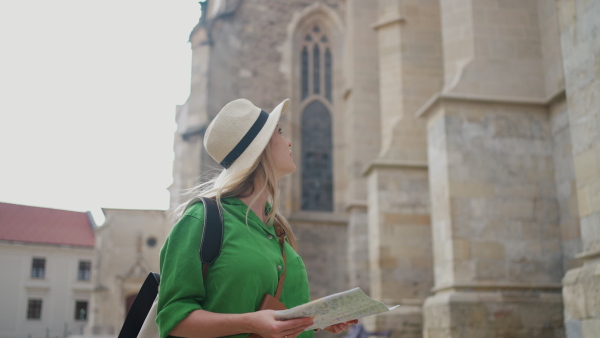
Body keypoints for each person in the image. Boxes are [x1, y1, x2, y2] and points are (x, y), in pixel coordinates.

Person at [156, 98, 356, 338]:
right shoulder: (202, 219)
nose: (289, 141)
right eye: (279, 133)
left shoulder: (276, 229)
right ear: (260, 148)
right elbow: (172, 317)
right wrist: (250, 323)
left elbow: (260, 308)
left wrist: (314, 320)